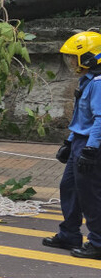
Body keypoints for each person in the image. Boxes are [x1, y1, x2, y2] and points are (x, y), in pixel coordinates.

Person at [44, 31, 101, 257]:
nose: (70, 62)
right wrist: (69, 142)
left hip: (91, 144)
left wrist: (91, 149)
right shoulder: (86, 80)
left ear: (90, 57)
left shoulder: (98, 84)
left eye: (73, 57)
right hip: (79, 140)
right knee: (69, 187)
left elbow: (100, 119)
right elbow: (81, 116)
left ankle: (97, 242)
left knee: (90, 193)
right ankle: (69, 233)